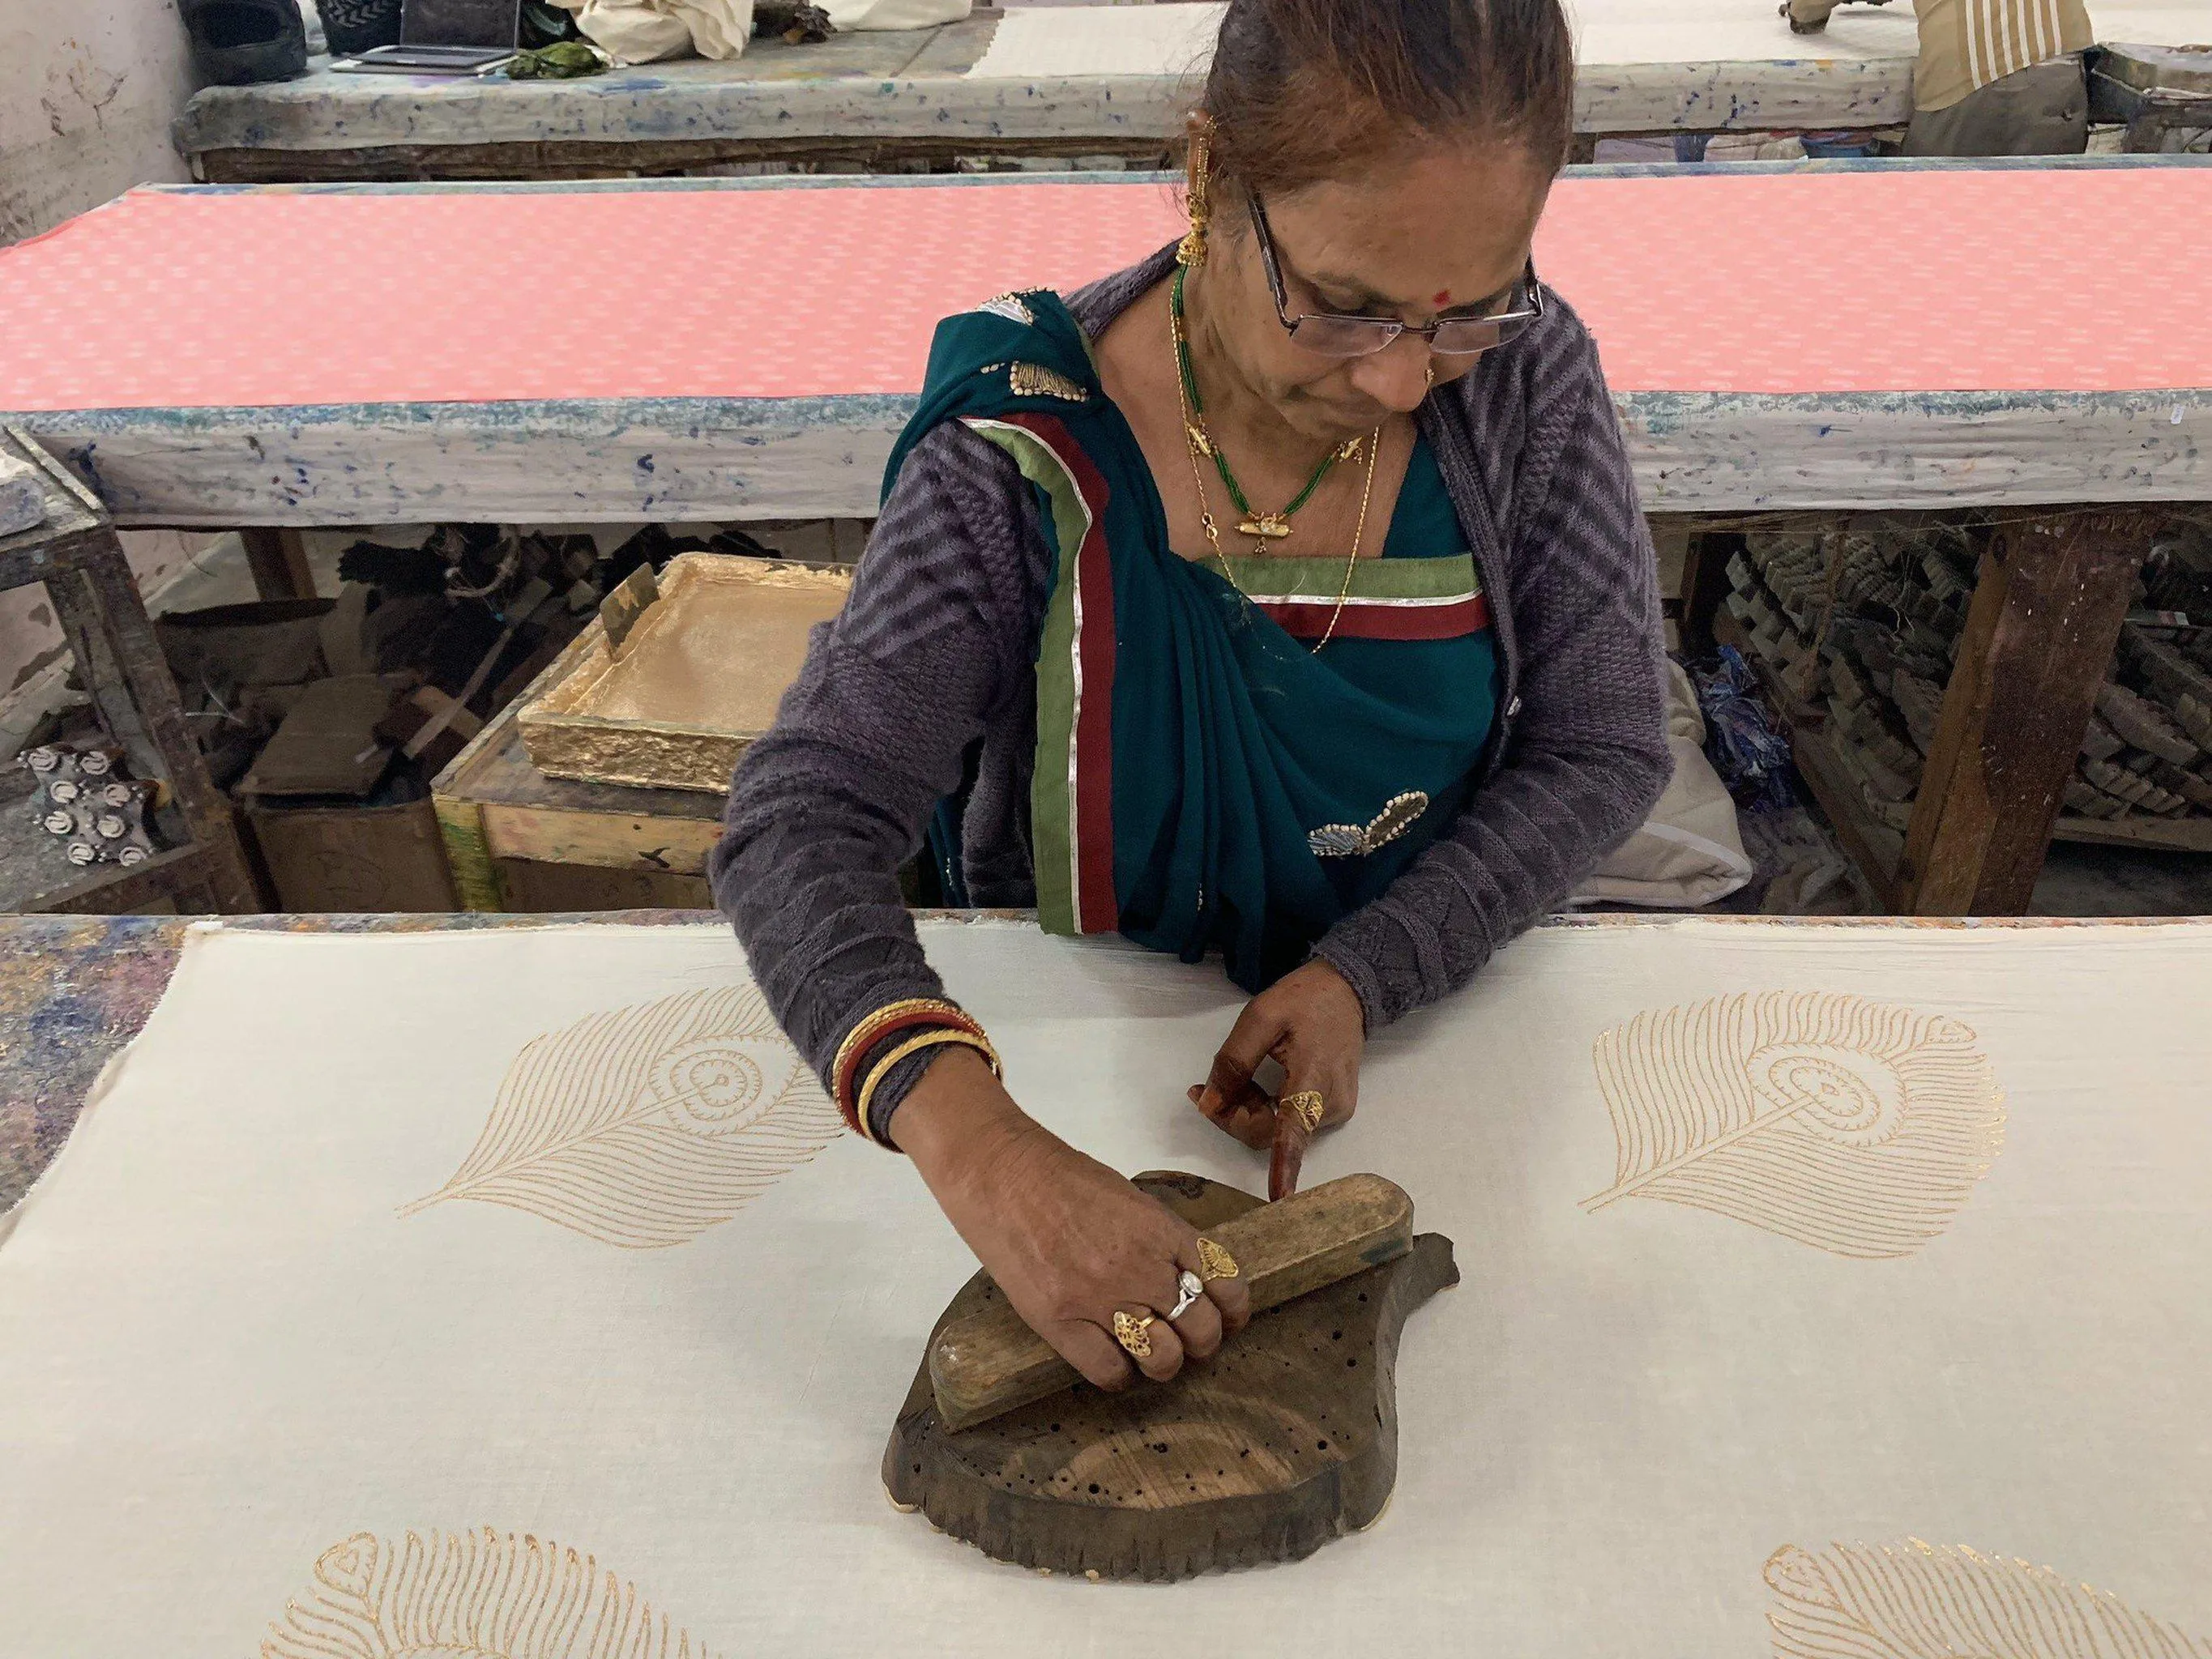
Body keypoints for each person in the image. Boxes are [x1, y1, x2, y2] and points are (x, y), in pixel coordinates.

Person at [711, 0, 1669, 1396]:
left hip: (1429, 1044)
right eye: (1344, 305)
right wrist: (981, 1145)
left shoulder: (1522, 382)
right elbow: (800, 819)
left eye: (1468, 305)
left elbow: (1602, 744)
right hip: (1063, 1037)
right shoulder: (1025, 455)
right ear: (1215, 176)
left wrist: (1368, 969)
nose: (1405, 374)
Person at [1786, 0, 2092, 156]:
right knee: (2035, 226)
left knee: (1932, 224)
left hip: (1973, 77)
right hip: (2062, 70)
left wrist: (1802, 13)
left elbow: (1809, 6)